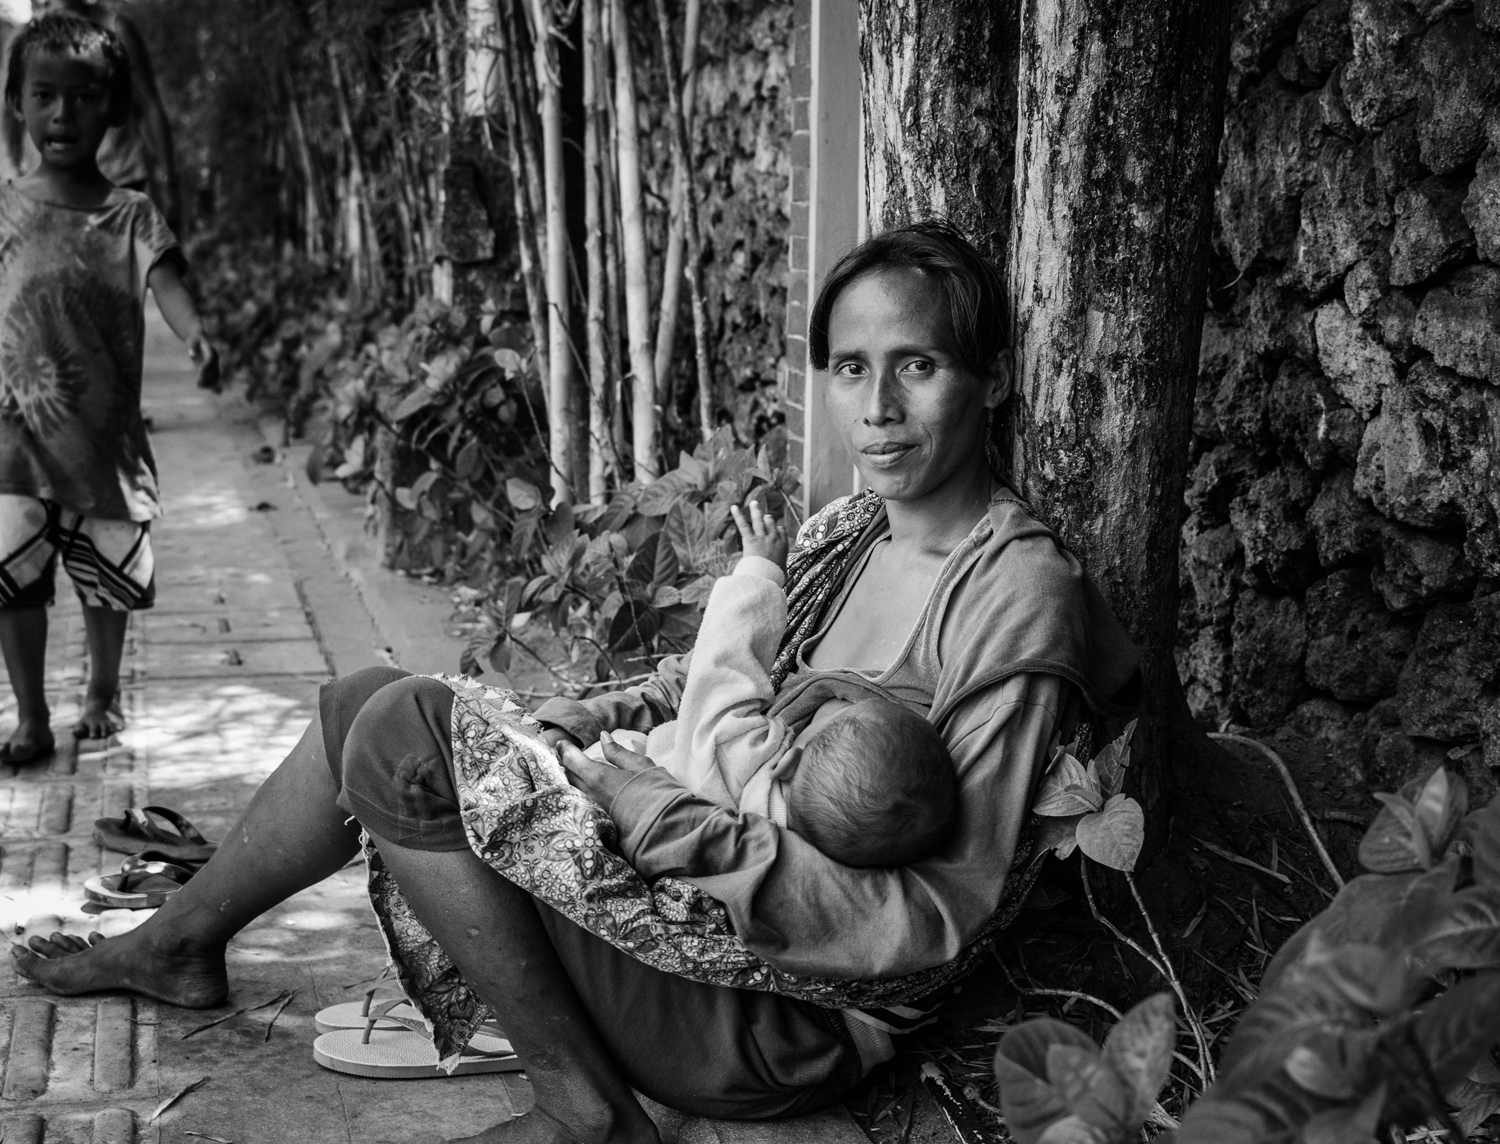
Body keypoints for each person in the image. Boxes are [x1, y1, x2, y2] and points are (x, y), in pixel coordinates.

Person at [13, 220, 1139, 1144]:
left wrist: (666, 818)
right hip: (698, 892)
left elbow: (938, 914)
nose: (880, 408)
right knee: (368, 697)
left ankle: (581, 1106)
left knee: (409, 736)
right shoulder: (853, 528)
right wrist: (589, 719)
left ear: (989, 385)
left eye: (920, 365)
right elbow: (714, 680)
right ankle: (178, 942)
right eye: (852, 367)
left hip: (781, 1007)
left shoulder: (1012, 593)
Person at [0, 12, 217, 762]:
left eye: (85, 97)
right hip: (14, 438)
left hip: (105, 442)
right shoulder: (3, 208)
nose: (64, 114)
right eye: (44, 96)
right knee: (13, 579)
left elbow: (169, 283)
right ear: (18, 105)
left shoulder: (131, 213)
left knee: (107, 578)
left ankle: (101, 694)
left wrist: (198, 337)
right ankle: (29, 715)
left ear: (111, 108)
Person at [591, 498, 957, 869]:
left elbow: (720, 669)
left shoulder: (738, 761)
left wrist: (759, 570)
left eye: (835, 716)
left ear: (788, 764)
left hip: (616, 782)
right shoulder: (800, 846)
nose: (840, 695)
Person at [1, 0, 179, 229]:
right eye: (45, 96)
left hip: (119, 179)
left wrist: (169, 179)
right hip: (49, 193)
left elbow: (149, 104)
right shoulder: (23, 42)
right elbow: (6, 115)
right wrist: (11, 175)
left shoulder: (115, 29)